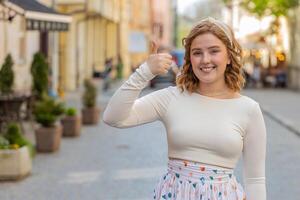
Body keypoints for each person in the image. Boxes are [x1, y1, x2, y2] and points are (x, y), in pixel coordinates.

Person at [103, 17, 266, 200]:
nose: (205, 60)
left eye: (214, 51)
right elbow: (113, 117)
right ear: (189, 59)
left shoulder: (249, 110)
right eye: (197, 53)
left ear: (229, 57)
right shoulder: (172, 97)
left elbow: (255, 180)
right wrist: (145, 72)